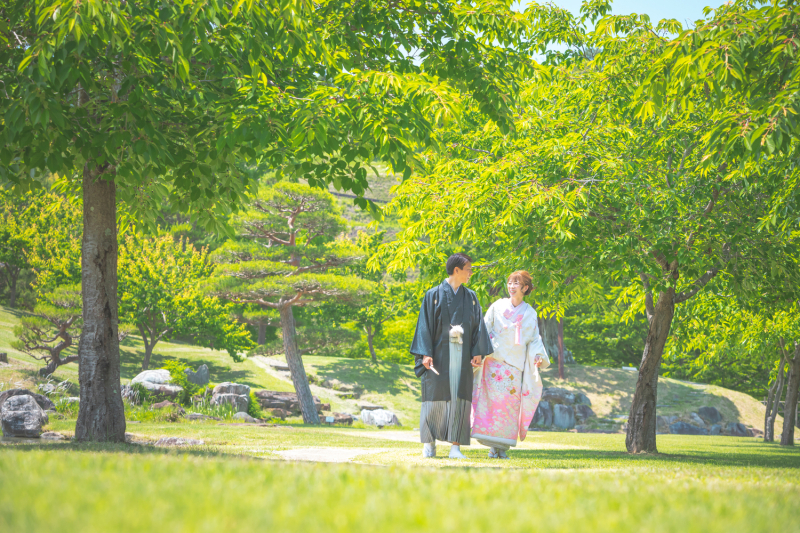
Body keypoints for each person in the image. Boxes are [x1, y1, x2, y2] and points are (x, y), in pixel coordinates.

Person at [410, 253, 493, 459]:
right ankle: (429, 443)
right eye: (468, 269)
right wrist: (425, 354)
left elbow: (478, 327)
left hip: (462, 357)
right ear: (457, 270)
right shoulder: (433, 295)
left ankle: (455, 447)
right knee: (433, 399)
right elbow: (424, 327)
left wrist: (478, 352)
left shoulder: (471, 297)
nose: (470, 273)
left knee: (460, 400)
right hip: (438, 357)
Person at [471, 270, 550, 459]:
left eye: (516, 283)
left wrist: (538, 356)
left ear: (525, 288)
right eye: (509, 283)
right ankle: (492, 447)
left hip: (514, 367)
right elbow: (484, 328)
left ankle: (502, 448)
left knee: (508, 409)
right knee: (491, 407)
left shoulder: (530, 313)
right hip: (494, 363)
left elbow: (534, 339)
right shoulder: (497, 306)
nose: (512, 286)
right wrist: (478, 352)